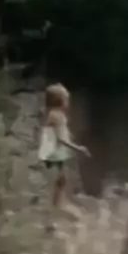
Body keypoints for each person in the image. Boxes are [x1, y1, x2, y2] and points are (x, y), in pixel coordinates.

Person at [38, 83, 90, 211]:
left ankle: (56, 204)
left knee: (61, 179)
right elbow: (60, 138)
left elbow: (58, 132)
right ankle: (55, 206)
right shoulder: (58, 116)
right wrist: (78, 148)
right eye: (66, 98)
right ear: (60, 101)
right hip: (55, 152)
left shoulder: (52, 113)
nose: (68, 101)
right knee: (60, 179)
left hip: (51, 150)